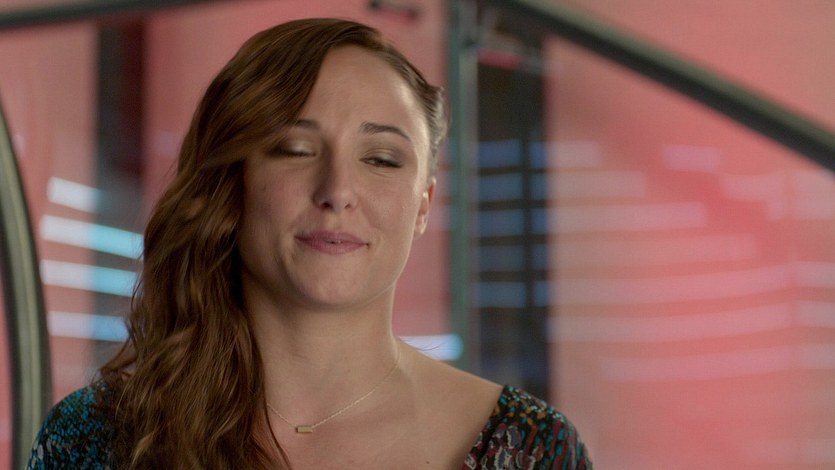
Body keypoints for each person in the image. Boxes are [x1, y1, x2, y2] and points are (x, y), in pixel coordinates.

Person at [27, 18, 591, 469]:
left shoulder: (533, 449)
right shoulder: (95, 438)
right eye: (295, 150)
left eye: (381, 159)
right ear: (231, 181)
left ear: (422, 205)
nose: (337, 191)